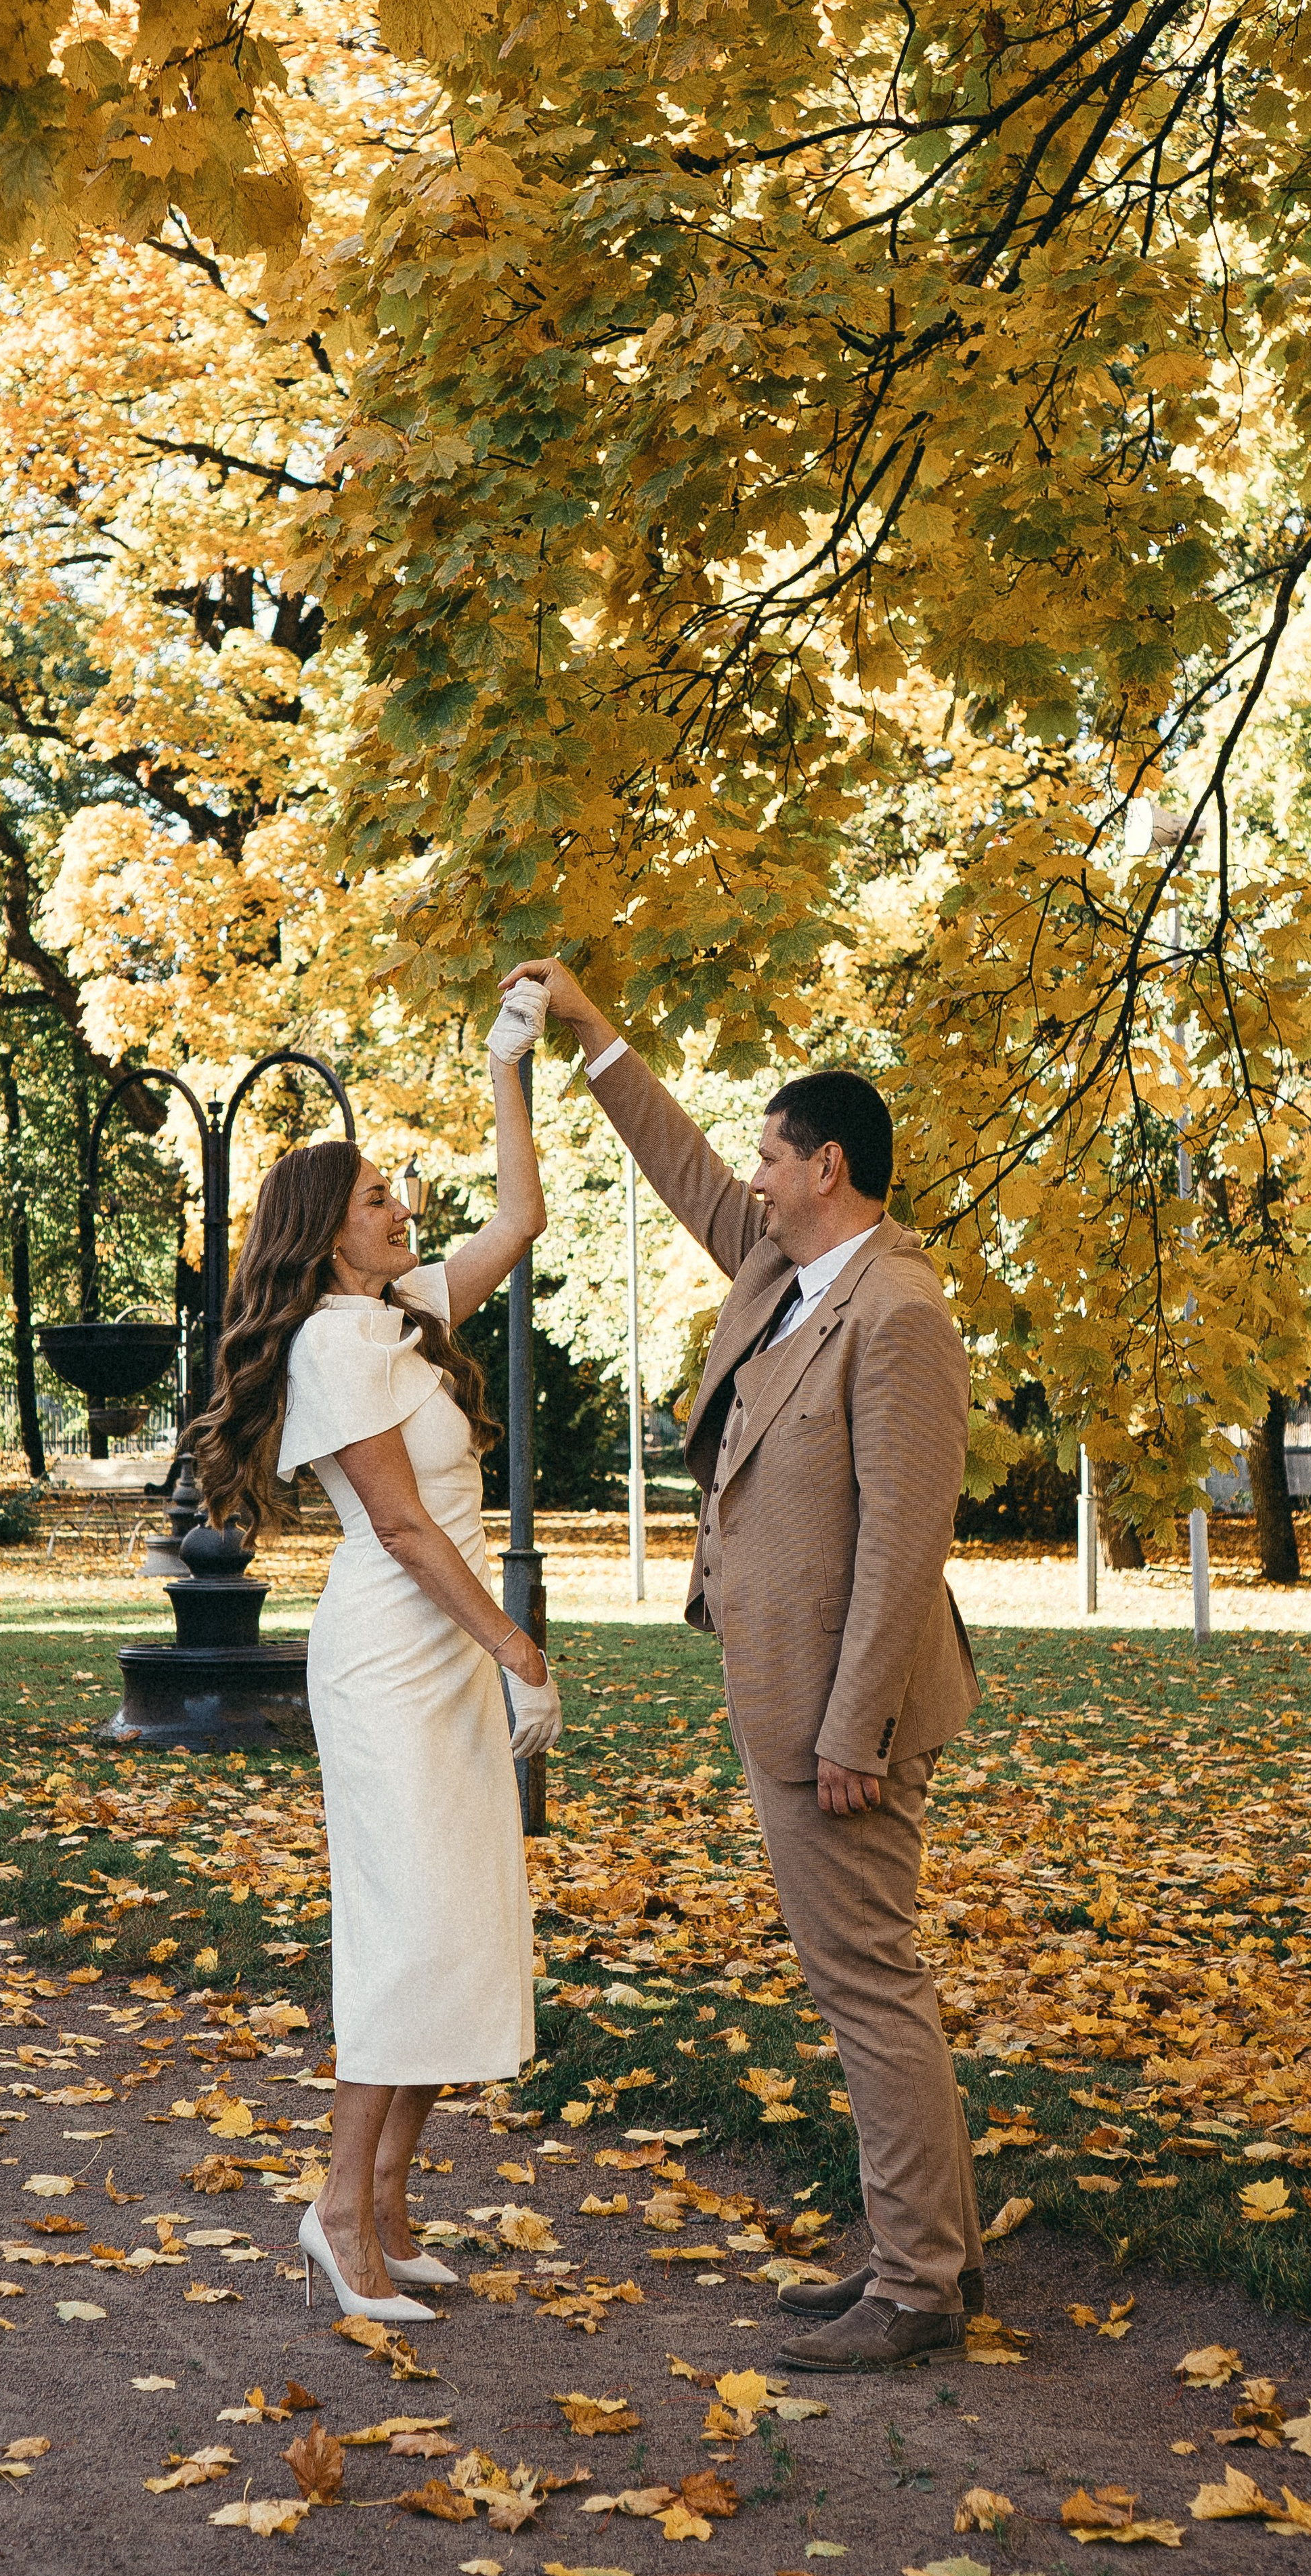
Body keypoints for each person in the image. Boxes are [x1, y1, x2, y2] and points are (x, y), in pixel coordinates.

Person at [503, 959, 982, 2373]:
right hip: (787, 1689)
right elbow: (680, 1168)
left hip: (842, 1716)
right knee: (866, 1979)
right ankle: (930, 2258)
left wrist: (852, 1729)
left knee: (866, 1983)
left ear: (825, 1166)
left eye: (772, 1155)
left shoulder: (894, 1310)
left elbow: (903, 1545)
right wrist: (592, 1034)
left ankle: (913, 2289)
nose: (752, 1177)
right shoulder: (787, 1268)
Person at [190, 984, 560, 2323]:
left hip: (444, 1654)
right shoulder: (332, 1343)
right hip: (394, 1659)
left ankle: (395, 2200)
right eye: (375, 1202)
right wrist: (518, 1647)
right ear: (319, 1232)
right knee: (409, 1934)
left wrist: (505, 1066)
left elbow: (519, 1219)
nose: (402, 1213)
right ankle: (337, 2209)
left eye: (401, 1196)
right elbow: (401, 1526)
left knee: (456, 1928)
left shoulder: (400, 1309)